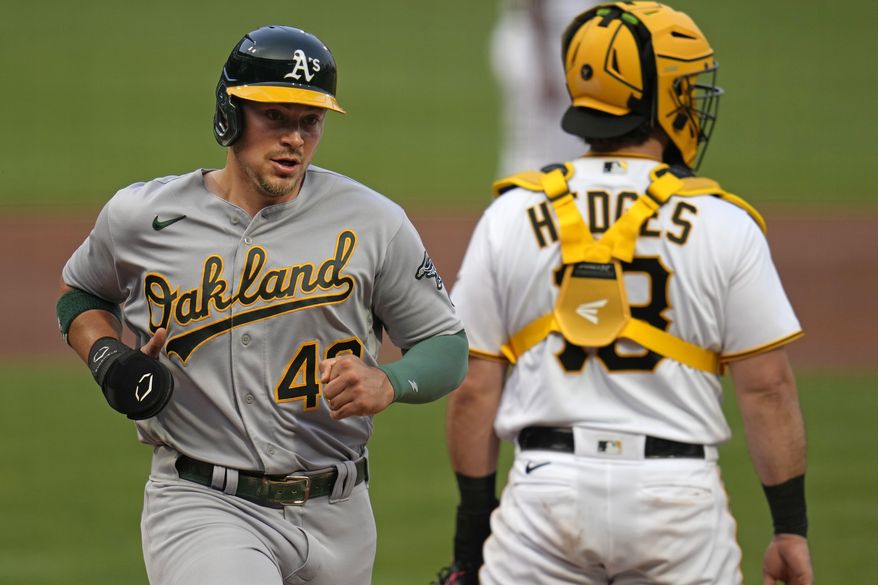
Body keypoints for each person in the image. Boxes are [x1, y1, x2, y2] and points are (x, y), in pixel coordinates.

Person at [56, 25, 468, 585]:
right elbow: (81, 294)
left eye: (310, 121)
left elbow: (447, 346)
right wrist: (107, 356)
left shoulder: (375, 223)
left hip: (340, 513)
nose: (294, 139)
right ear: (230, 114)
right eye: (275, 117)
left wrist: (390, 382)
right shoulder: (140, 217)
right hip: (203, 504)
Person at [438, 2, 813, 584]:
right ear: (662, 101)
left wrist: (470, 544)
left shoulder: (511, 215)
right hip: (677, 506)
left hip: (545, 502)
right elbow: (768, 389)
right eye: (685, 87)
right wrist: (789, 529)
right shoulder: (722, 222)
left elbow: (473, 390)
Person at [490, 0, 598, 177]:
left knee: (569, 137)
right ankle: (518, 197)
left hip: (559, 40)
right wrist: (544, 65)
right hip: (542, 42)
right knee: (537, 141)